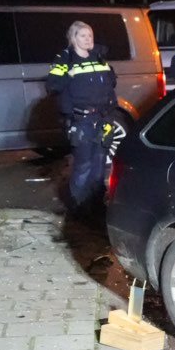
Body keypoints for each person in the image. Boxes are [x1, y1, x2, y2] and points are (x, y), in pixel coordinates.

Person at [46, 20, 120, 213]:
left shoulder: (99, 57)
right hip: (82, 121)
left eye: (90, 35)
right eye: (83, 35)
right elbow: (53, 85)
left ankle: (95, 206)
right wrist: (68, 74)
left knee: (99, 164)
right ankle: (77, 208)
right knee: (83, 166)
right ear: (73, 38)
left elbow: (111, 84)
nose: (88, 39)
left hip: (103, 119)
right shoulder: (65, 59)